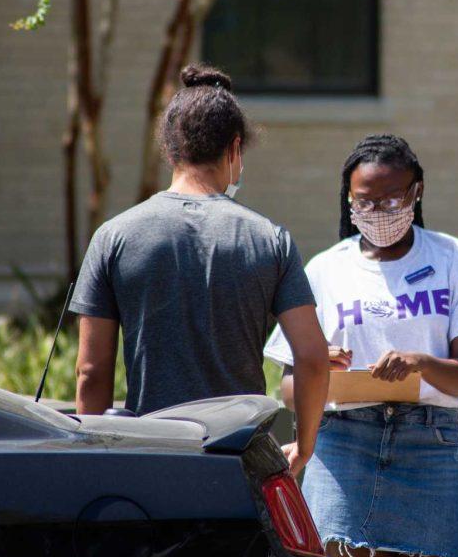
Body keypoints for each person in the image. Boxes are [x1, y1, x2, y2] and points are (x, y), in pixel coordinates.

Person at [264, 134, 458, 557]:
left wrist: (420, 361)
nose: (379, 210)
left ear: (417, 192)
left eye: (393, 198)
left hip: (430, 448)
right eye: (365, 201)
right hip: (342, 450)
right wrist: (317, 367)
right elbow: (288, 388)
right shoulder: (325, 269)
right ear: (348, 200)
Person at [69, 64, 329, 475]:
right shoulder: (271, 239)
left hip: (153, 455)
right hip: (240, 459)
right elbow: (313, 358)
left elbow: (90, 370)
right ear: (234, 149)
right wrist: (306, 445)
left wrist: (93, 457)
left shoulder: (114, 236)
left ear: (170, 150)